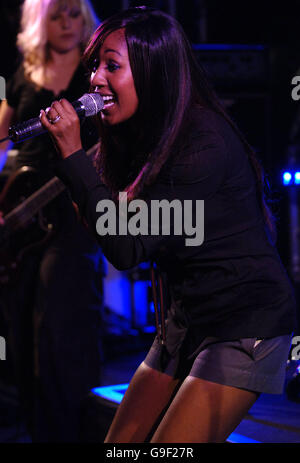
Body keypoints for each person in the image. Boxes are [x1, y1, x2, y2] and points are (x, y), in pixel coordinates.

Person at [40, 6, 298, 443]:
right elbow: (103, 227)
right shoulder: (139, 136)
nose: (96, 79)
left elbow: (126, 246)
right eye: (95, 66)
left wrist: (73, 157)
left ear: (153, 73)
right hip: (185, 322)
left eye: (112, 66)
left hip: (243, 324)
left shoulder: (202, 144)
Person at [0, 0, 105, 442]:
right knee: (20, 325)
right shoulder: (23, 74)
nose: (67, 23)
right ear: (40, 22)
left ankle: (68, 426)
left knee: (61, 316)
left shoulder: (98, 74)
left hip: (72, 209)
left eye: (74, 13)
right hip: (18, 213)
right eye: (57, 15)